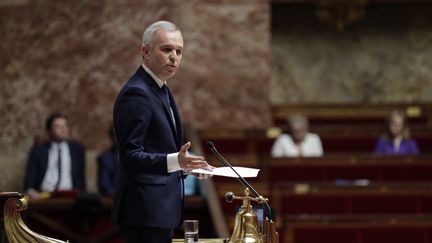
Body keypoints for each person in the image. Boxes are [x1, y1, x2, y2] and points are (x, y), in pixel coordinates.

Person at [112, 20, 212, 243]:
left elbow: (160, 150)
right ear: (145, 52)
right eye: (166, 49)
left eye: (179, 51)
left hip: (159, 211)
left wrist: (187, 166)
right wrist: (177, 161)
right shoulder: (137, 93)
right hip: (144, 212)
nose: (174, 57)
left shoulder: (160, 88)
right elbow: (130, 157)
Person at [24, 112, 86, 200]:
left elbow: (81, 179)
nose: (63, 129)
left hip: (69, 196)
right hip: (44, 196)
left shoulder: (77, 149)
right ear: (49, 130)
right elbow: (30, 176)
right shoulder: (38, 150)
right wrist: (31, 191)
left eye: (65, 126)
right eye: (58, 126)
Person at [97, 125, 119, 196]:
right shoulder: (105, 157)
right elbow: (104, 183)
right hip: (113, 198)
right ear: (112, 138)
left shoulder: (137, 154)